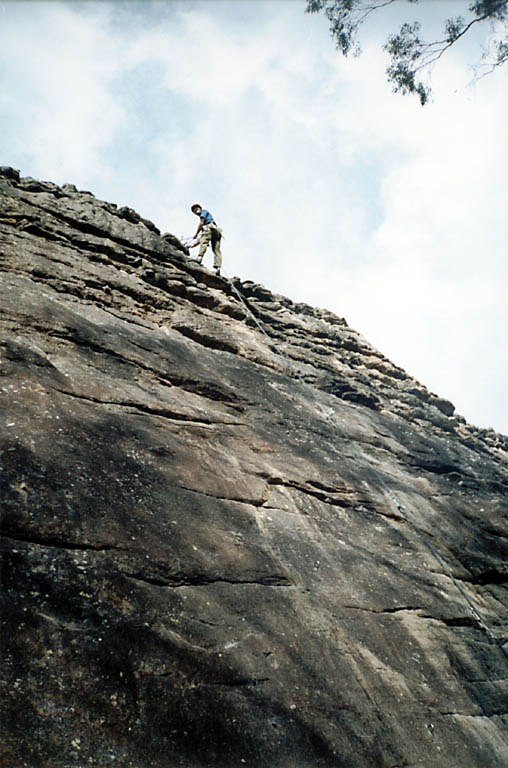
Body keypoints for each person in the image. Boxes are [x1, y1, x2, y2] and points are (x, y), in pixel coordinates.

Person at [189, 203, 222, 275]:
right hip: (216, 231)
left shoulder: (203, 212)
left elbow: (201, 223)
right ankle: (218, 267)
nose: (196, 209)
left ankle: (199, 258)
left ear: (200, 208)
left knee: (205, 242)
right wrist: (192, 245)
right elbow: (201, 239)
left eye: (197, 208)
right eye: (194, 209)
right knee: (216, 249)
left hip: (209, 228)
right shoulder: (206, 214)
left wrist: (196, 233)